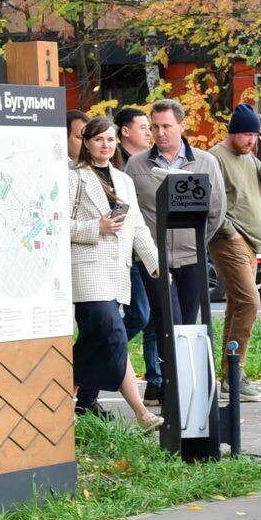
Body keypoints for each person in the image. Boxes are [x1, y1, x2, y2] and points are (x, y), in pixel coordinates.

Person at [124, 99, 226, 395]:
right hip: (154, 260)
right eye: (154, 127)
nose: (160, 133)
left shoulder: (206, 162)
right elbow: (132, 212)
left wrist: (197, 243)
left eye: (167, 126)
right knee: (169, 322)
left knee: (189, 326)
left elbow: (217, 210)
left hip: (192, 257)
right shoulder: (137, 164)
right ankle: (173, 389)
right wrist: (145, 251)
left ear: (182, 126)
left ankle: (188, 391)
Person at [70, 117, 164, 430]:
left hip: (116, 272)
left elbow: (137, 226)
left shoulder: (123, 180)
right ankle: (66, 394)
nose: (106, 145)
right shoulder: (73, 179)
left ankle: (141, 413)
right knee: (112, 332)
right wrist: (95, 227)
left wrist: (155, 264)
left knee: (115, 339)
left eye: (110, 140)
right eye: (99, 140)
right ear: (86, 142)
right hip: (87, 272)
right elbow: (54, 224)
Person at [208, 104, 261, 401]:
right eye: (247, 134)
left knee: (236, 307)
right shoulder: (215, 158)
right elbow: (210, 201)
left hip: (251, 242)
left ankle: (229, 377)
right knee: (250, 301)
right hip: (230, 240)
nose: (252, 140)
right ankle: (236, 373)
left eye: (255, 134)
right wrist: (229, 230)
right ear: (233, 133)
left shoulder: (250, 157)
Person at [112, 108, 158, 397]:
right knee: (139, 315)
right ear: (125, 131)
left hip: (145, 249)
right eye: (143, 127)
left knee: (153, 318)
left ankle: (156, 380)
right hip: (125, 253)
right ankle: (107, 351)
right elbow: (121, 210)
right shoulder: (118, 165)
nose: (149, 132)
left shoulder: (150, 163)